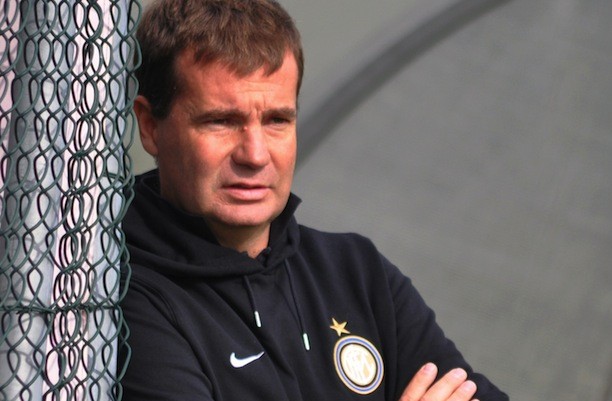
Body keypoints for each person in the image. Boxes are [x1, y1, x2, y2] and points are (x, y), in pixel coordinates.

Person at [120, 0, 509, 400]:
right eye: (221, 121)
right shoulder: (122, 294)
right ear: (150, 126)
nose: (255, 155)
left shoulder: (356, 271)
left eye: (277, 120)